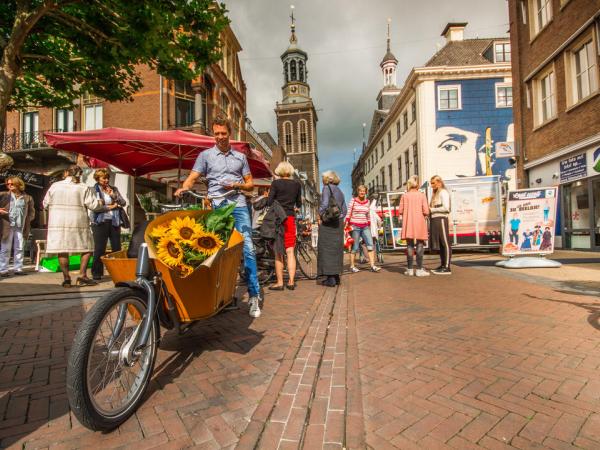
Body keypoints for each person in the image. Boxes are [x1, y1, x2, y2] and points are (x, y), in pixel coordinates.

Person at [174, 116, 261, 318]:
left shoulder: (240, 157)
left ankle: (255, 295)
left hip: (237, 205)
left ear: (230, 133)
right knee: (214, 250)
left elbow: (250, 184)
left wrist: (236, 185)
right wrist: (183, 188)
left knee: (247, 248)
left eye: (223, 133)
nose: (220, 137)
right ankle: (219, 295)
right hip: (216, 206)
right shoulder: (205, 156)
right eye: (216, 133)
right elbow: (192, 177)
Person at [43, 165, 103, 287]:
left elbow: (45, 204)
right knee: (87, 247)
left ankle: (66, 279)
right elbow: (94, 206)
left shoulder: (55, 186)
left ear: (66, 173)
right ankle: (82, 276)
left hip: (58, 222)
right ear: (80, 175)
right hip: (77, 221)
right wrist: (100, 202)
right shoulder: (83, 187)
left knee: (62, 248)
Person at [267, 161, 302, 291]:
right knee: (290, 250)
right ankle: (291, 282)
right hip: (290, 218)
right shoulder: (297, 185)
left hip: (277, 219)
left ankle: (280, 282)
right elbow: (299, 204)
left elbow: (269, 202)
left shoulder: (275, 183)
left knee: (278, 252)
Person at [91, 169, 127, 280]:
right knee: (99, 248)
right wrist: (111, 206)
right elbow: (95, 207)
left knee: (116, 247)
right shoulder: (93, 190)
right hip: (99, 222)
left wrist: (113, 195)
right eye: (104, 178)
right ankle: (97, 273)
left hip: (114, 221)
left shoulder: (113, 189)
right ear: (98, 179)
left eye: (107, 178)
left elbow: (123, 203)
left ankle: (118, 272)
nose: (106, 180)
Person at [0, 177, 35, 277]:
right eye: (7, 184)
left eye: (12, 184)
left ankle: (18, 269)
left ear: (18, 184)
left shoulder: (28, 197)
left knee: (19, 248)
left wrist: (27, 221)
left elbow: (32, 212)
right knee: (5, 248)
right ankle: (3, 270)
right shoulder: (3, 195)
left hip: (21, 226)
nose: (9, 186)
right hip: (7, 225)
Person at [317, 171, 347, 287]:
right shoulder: (340, 191)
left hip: (328, 223)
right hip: (338, 223)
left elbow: (324, 204)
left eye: (323, 177)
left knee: (326, 249)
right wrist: (338, 217)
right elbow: (344, 211)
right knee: (336, 249)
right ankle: (336, 276)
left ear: (327, 179)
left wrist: (320, 215)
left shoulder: (326, 188)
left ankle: (330, 279)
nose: (322, 179)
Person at [398, 175, 430, 277]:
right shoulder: (422, 195)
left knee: (409, 245)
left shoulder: (404, 195)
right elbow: (426, 210)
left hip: (408, 222)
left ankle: (410, 269)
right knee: (420, 244)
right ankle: (420, 269)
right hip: (419, 221)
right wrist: (425, 215)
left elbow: (400, 210)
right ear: (417, 184)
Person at [346, 185, 380, 273]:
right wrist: (347, 221)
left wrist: (368, 223)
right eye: (360, 191)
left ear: (366, 192)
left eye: (363, 191)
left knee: (370, 244)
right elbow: (349, 212)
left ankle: (372, 265)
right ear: (358, 191)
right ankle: (352, 266)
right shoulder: (353, 200)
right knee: (355, 247)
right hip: (355, 226)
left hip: (365, 226)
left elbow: (368, 214)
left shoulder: (368, 201)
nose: (362, 192)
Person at [429, 175, 452, 275]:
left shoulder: (443, 192)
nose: (431, 185)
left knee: (445, 242)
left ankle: (447, 267)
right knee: (440, 243)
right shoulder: (435, 193)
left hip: (441, 219)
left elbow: (447, 208)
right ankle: (443, 265)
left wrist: (432, 209)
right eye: (431, 183)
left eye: (433, 183)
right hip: (435, 219)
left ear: (439, 182)